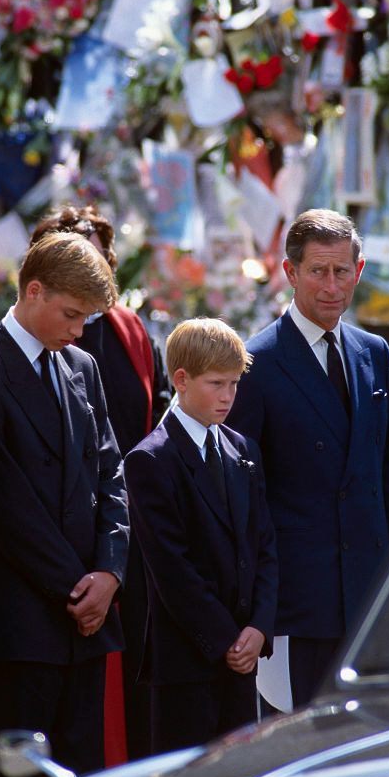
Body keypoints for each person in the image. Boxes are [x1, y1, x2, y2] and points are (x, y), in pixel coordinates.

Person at [0, 231, 129, 777]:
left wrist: (109, 573)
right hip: (24, 625)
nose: (79, 330)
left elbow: (111, 474)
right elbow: (6, 510)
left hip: (87, 620)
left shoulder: (81, 365)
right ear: (33, 291)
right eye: (70, 314)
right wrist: (78, 590)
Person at [227, 208, 389, 709]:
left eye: (342, 271)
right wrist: (256, 607)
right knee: (302, 746)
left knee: (370, 748)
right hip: (298, 602)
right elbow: (245, 500)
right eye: (317, 272)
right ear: (290, 273)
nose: (331, 286)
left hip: (371, 595)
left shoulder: (374, 352)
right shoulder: (256, 362)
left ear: (359, 270)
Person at [30, 204, 171, 760]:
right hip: (63, 547)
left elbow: (151, 424)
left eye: (99, 256)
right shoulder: (36, 342)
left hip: (130, 535)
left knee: (135, 684)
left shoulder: (133, 331)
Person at [124, 317, 278, 754]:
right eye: (216, 384)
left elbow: (265, 545)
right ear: (181, 380)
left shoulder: (243, 449)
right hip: (186, 662)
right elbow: (173, 569)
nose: (228, 396)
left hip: (242, 656)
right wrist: (227, 638)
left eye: (234, 384)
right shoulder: (150, 459)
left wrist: (259, 628)